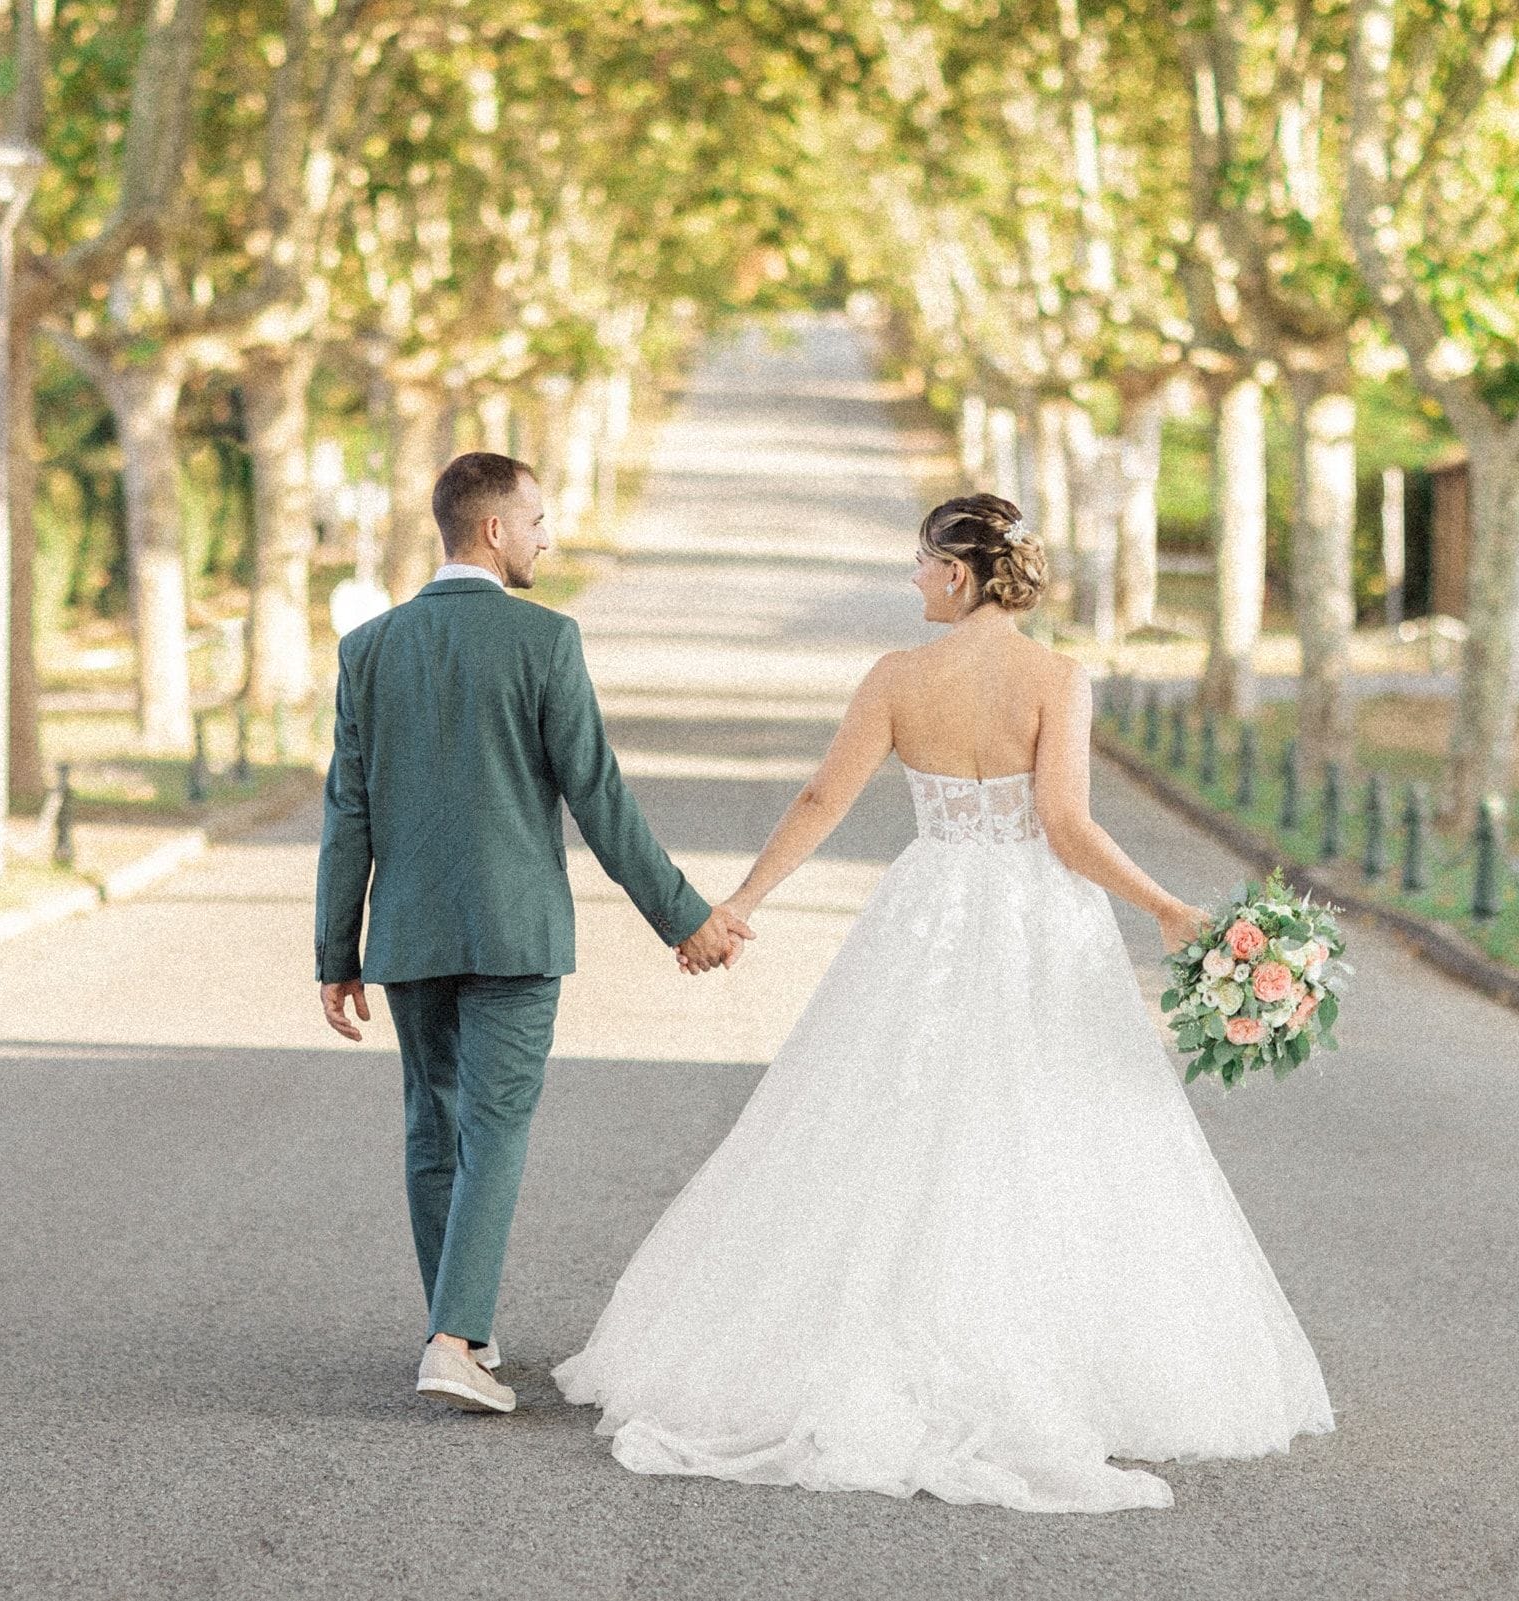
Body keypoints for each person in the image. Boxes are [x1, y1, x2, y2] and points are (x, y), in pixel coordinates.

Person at [554, 493, 1335, 1512]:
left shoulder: (897, 678)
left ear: (960, 575)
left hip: (929, 912)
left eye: (923, 563)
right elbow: (1063, 823)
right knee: (1052, 1122)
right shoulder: (1056, 677)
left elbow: (821, 801)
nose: (915, 579)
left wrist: (741, 900)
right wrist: (1164, 906)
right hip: (1040, 922)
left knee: (889, 1112)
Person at [315, 451, 754, 1416]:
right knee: (494, 1129)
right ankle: (455, 1338)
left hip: (407, 933)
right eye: (539, 521)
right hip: (515, 933)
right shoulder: (546, 642)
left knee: (433, 1127)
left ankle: (458, 1320)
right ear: (493, 531)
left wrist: (334, 953)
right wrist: (687, 918)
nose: (548, 538)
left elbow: (349, 810)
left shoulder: (369, 648)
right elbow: (596, 795)